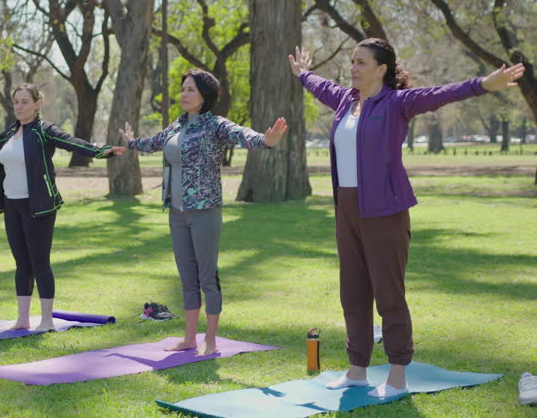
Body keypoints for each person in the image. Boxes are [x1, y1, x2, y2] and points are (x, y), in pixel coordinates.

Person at [288, 39, 524, 398]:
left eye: (361, 63)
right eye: (352, 62)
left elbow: (442, 93)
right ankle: (356, 370)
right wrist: (303, 73)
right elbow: (322, 85)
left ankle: (397, 375)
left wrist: (483, 84)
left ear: (381, 69)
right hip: (347, 207)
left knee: (388, 294)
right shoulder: (344, 101)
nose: (353, 69)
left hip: (385, 209)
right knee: (352, 292)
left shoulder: (397, 103)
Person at [120, 69, 288, 356]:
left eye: (191, 90)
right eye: (183, 89)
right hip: (176, 212)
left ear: (205, 96)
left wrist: (265, 140)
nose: (184, 95)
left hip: (204, 211)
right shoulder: (177, 126)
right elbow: (154, 143)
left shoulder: (215, 125)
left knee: (207, 277)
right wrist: (131, 142)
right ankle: (189, 338)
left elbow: (241, 134)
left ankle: (210, 339)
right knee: (187, 277)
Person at [0, 83, 125, 332]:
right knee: (21, 263)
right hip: (11, 204)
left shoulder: (45, 131)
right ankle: (23, 319)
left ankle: (46, 320)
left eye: (25, 101)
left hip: (39, 205)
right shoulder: (10, 132)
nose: (19, 106)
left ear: (37, 104)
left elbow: (73, 143)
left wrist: (103, 152)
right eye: (16, 102)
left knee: (39, 263)